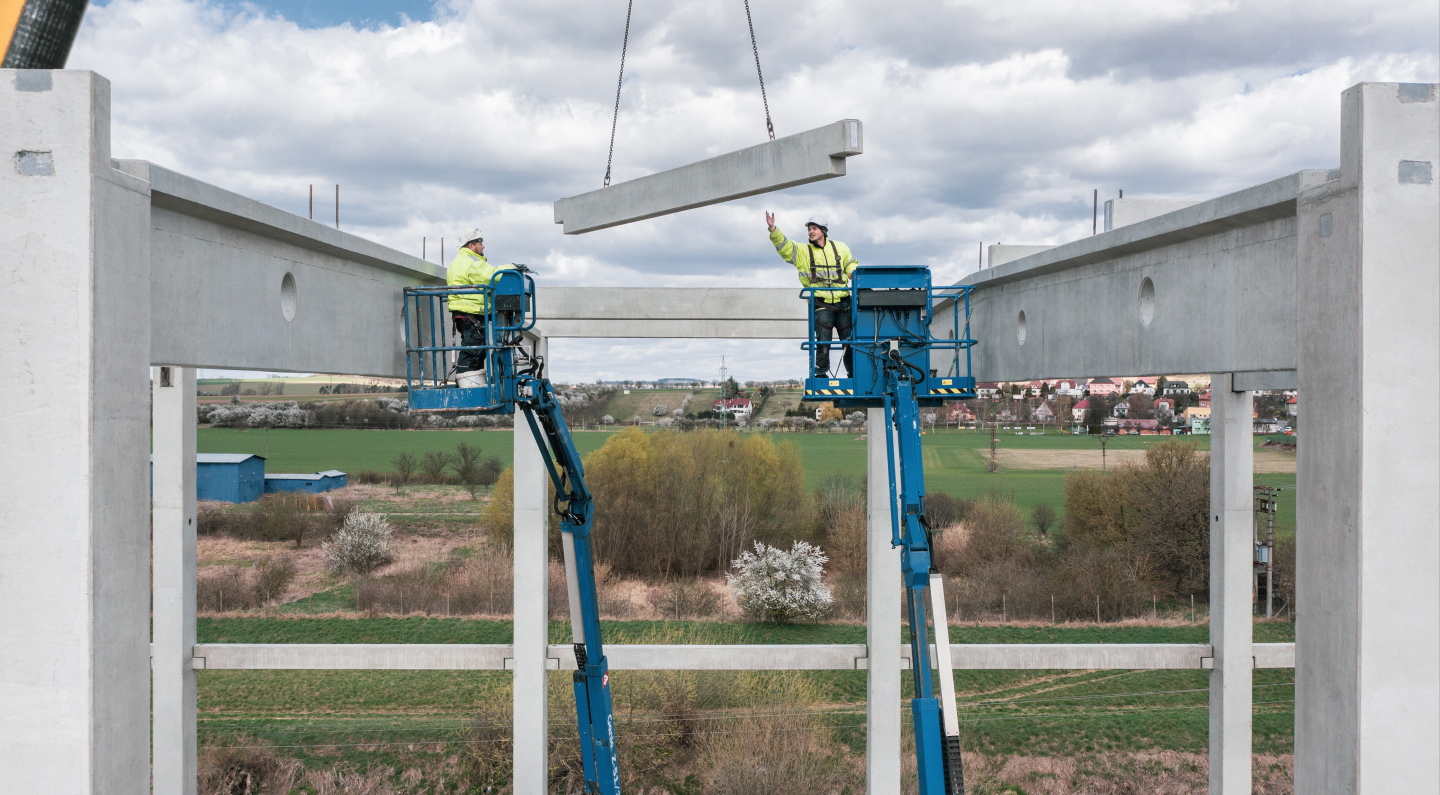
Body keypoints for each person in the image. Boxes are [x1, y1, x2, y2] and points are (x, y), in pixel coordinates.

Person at [765, 212, 859, 377]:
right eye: (809, 229)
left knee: (849, 340)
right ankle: (821, 372)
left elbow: (850, 263)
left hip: (844, 303)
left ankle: (854, 372)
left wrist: (852, 272)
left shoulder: (840, 248)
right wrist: (773, 229)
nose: (810, 232)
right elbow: (786, 247)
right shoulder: (803, 252)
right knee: (823, 339)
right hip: (821, 304)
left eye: (814, 228)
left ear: (823, 230)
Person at [446, 228, 516, 382]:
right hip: (471, 313)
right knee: (472, 352)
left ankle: (472, 386)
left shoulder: (457, 262)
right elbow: (493, 275)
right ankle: (464, 389)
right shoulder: (471, 262)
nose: (483, 246)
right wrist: (513, 267)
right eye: (480, 242)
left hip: (466, 314)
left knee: (477, 352)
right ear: (471, 245)